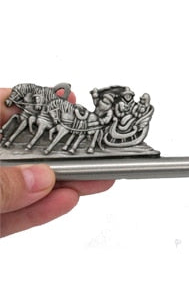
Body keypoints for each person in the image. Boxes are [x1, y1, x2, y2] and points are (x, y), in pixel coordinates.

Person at [0, 88, 115, 238]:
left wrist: (100, 121)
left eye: (106, 101)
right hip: (81, 117)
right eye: (103, 100)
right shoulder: (98, 103)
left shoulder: (109, 111)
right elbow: (94, 102)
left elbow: (106, 120)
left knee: (85, 132)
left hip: (94, 123)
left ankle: (82, 144)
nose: (103, 102)